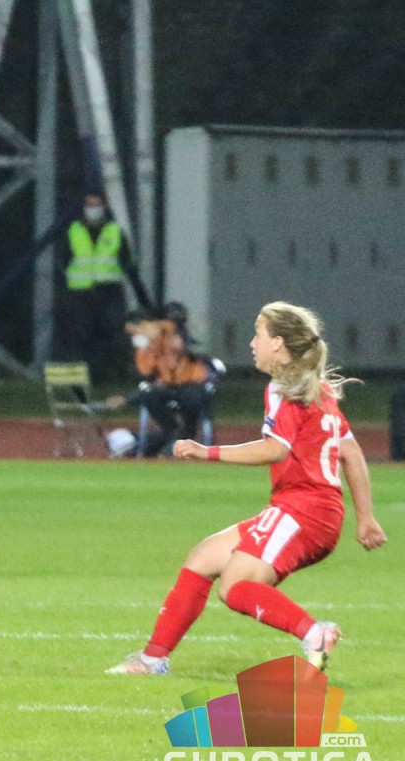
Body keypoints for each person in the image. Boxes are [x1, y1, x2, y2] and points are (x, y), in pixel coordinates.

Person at [108, 301, 387, 675]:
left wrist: (206, 451)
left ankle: (314, 633)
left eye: (258, 335)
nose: (252, 344)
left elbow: (275, 450)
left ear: (278, 343)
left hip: (303, 512)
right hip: (312, 512)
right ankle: (152, 659)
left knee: (235, 586)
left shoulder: (284, 388)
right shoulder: (316, 389)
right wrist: (365, 517)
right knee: (203, 558)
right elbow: (351, 453)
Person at [105, 305, 221, 457]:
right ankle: (170, 431)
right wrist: (127, 399)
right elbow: (149, 377)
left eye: (134, 331)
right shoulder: (145, 350)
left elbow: (186, 343)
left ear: (144, 325)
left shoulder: (170, 330)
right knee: (149, 395)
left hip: (193, 384)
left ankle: (187, 434)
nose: (134, 337)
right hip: (169, 387)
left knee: (191, 398)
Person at [61, 192, 130, 383]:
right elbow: (64, 258)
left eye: (97, 205)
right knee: (82, 336)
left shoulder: (114, 231)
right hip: (81, 292)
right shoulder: (74, 231)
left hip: (108, 290)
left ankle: (106, 376)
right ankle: (83, 377)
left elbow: (125, 259)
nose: (93, 209)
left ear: (104, 206)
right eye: (90, 205)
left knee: (108, 334)